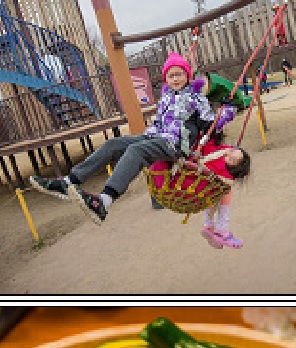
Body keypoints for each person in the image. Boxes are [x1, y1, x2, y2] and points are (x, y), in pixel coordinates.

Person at [29, 52, 226, 224]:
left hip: (176, 144)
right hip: (156, 137)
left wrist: (221, 115)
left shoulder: (195, 96)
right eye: (171, 75)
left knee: (136, 151)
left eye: (180, 74)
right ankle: (69, 181)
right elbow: (158, 124)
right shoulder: (165, 97)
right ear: (166, 78)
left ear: (187, 75)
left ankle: (104, 201)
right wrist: (148, 135)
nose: (175, 79)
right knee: (114, 144)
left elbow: (210, 124)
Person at [148, 129, 251, 248]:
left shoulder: (217, 162)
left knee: (216, 188)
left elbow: (209, 145)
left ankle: (214, 227)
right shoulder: (225, 175)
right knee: (218, 190)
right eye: (231, 150)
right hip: (186, 190)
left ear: (231, 166)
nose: (228, 152)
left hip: (171, 184)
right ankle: (217, 228)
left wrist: (210, 135)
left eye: (231, 157)